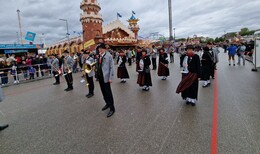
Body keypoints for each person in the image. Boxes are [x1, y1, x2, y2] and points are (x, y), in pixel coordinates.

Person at [96, 43, 115, 118]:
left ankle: (112, 108)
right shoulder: (99, 56)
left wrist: (110, 78)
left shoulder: (108, 55)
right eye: (98, 49)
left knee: (108, 92)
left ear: (104, 49)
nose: (99, 50)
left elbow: (112, 67)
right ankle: (107, 103)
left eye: (100, 48)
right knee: (103, 91)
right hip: (100, 77)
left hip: (106, 77)